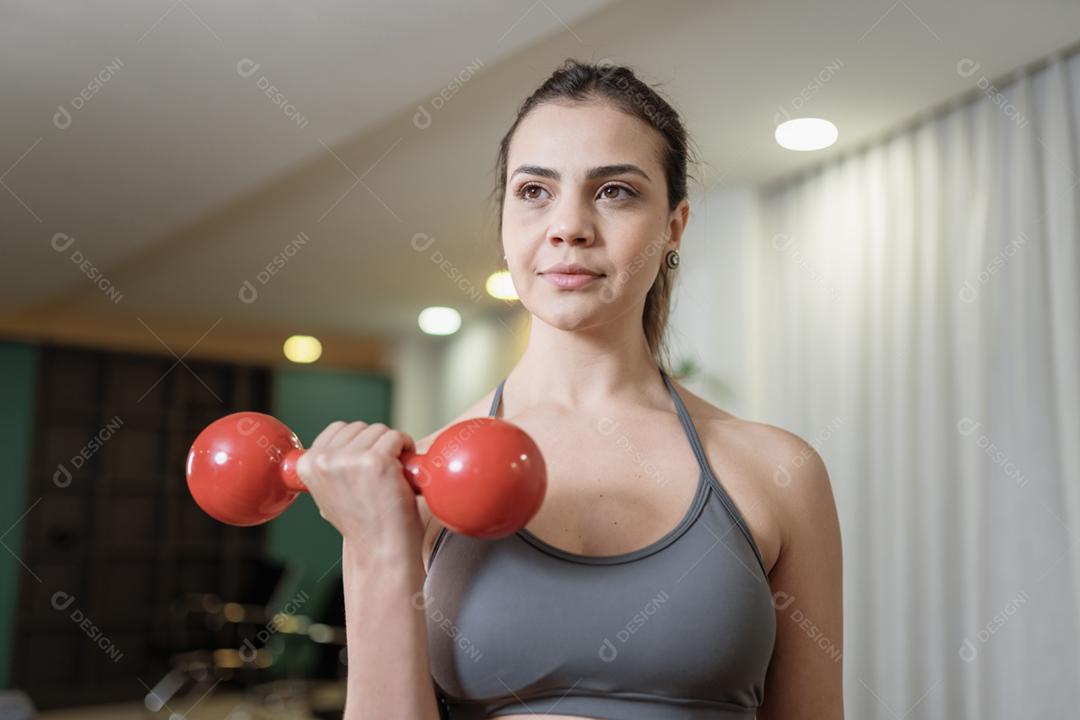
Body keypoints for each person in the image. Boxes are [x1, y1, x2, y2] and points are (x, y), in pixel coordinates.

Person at [298, 58, 844, 720]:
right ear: (505, 223)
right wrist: (376, 549)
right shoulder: (418, 478)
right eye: (534, 192)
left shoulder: (779, 471)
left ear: (674, 226)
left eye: (614, 190)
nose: (569, 226)